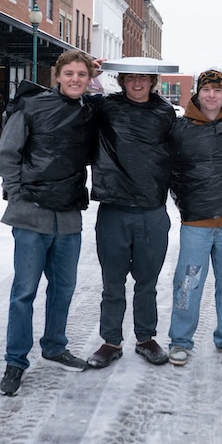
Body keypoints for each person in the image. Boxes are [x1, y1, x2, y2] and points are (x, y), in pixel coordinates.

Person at [0, 50, 100, 396]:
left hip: (68, 215)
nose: (74, 79)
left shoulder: (88, 112)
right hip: (31, 214)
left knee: (63, 289)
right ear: (57, 76)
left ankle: (54, 346)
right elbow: (7, 154)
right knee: (24, 292)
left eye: (81, 75)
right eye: (68, 73)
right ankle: (15, 361)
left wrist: (100, 69)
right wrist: (16, 193)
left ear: (89, 80)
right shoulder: (32, 107)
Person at [87, 69, 176, 369]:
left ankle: (146, 338)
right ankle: (111, 341)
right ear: (122, 81)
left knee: (146, 282)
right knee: (112, 282)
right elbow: (68, 100)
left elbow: (179, 156)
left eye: (144, 78)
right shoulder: (105, 107)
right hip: (114, 207)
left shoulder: (165, 113)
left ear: (153, 81)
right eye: (131, 78)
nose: (137, 83)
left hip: (152, 209)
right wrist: (90, 72)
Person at [166, 70, 222, 365]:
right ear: (198, 93)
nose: (212, 95)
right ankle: (180, 340)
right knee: (188, 282)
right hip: (196, 223)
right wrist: (183, 202)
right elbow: (167, 169)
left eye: (218, 91)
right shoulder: (180, 129)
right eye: (207, 90)